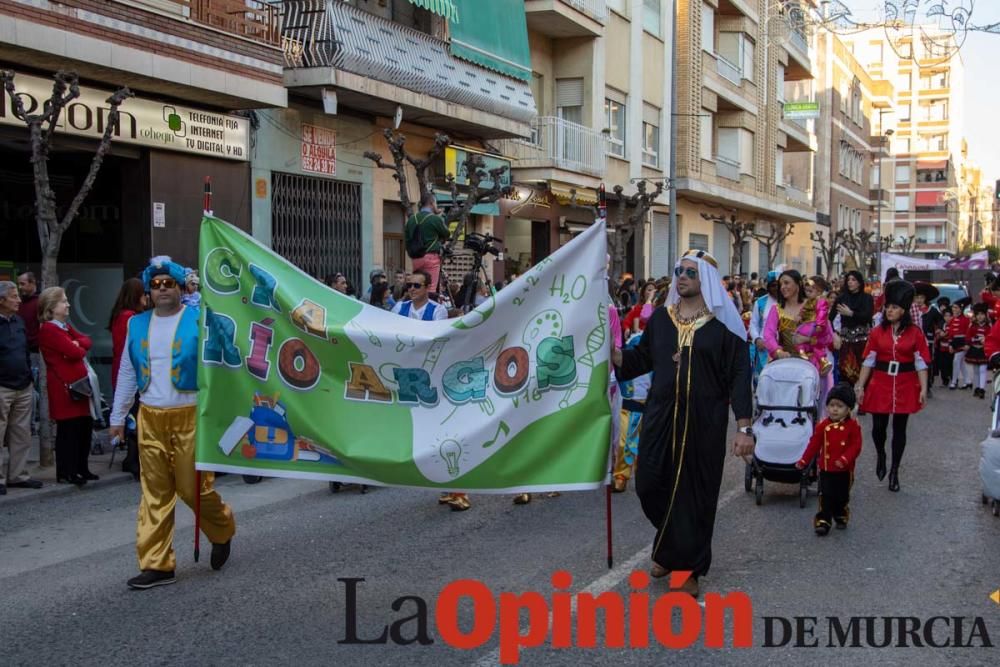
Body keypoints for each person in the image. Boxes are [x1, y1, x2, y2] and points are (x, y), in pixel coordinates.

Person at [613, 249, 754, 598]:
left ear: (704, 279)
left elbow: (739, 376)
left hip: (704, 420)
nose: (683, 276)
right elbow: (637, 361)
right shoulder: (661, 320)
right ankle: (670, 542)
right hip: (660, 415)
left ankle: (687, 566)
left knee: (696, 494)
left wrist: (744, 427)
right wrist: (611, 351)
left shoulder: (723, 327)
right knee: (648, 485)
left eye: (690, 272)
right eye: (679, 270)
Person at [109, 256, 236, 590]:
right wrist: (118, 416)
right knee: (155, 493)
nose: (162, 289)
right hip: (150, 416)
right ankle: (157, 564)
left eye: (169, 284)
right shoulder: (136, 324)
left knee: (193, 489)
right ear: (148, 290)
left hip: (191, 415)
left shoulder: (200, 319)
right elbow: (126, 370)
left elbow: (222, 365)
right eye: (156, 284)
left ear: (181, 287)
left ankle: (221, 528)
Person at [855, 280, 930, 493]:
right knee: (878, 428)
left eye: (894, 307)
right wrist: (860, 386)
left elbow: (920, 362)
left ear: (903, 310)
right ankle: (881, 455)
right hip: (880, 381)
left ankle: (895, 470)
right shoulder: (878, 332)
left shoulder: (915, 332)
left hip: (906, 383)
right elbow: (868, 360)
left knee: (899, 429)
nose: (889, 310)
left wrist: (923, 388)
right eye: (888, 307)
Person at [38, 286, 101, 486]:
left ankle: (81, 468)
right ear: (52, 306)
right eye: (63, 301)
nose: (68, 304)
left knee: (83, 427)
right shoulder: (49, 329)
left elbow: (86, 341)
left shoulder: (63, 327)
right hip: (64, 387)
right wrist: (76, 346)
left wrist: (77, 344)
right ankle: (66, 471)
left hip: (79, 385)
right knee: (69, 431)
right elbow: (75, 352)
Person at [796, 383, 862, 535]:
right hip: (826, 468)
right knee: (825, 495)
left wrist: (845, 459)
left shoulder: (853, 426)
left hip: (844, 470)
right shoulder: (823, 426)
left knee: (841, 496)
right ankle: (823, 520)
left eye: (840, 406)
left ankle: (840, 514)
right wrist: (804, 460)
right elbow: (814, 444)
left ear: (848, 409)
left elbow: (856, 446)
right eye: (831, 405)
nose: (835, 409)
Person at [0, 281, 43, 495]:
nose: (18, 300)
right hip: (2, 386)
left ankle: (17, 475)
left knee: (21, 432)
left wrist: (28, 376)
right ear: (1, 301)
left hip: (23, 384)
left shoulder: (18, 321)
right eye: (13, 296)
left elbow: (25, 349)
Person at [833, 270, 874, 387]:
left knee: (865, 373)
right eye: (848, 280)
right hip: (845, 343)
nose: (850, 282)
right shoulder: (841, 298)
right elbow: (830, 319)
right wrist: (835, 334)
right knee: (845, 373)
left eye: (853, 280)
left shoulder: (867, 298)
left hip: (862, 342)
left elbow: (867, 317)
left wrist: (851, 313)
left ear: (860, 283)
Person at [404, 192, 450, 294]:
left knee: (417, 287)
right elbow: (446, 233)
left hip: (416, 258)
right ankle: (428, 309)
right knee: (430, 289)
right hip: (431, 258)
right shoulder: (435, 219)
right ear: (432, 203)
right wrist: (440, 217)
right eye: (436, 203)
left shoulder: (411, 220)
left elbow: (407, 241)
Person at [748, 272, 779, 386]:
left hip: (783, 350)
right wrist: (757, 339)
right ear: (768, 286)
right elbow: (753, 324)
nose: (776, 288)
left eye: (778, 285)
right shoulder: (760, 302)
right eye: (773, 285)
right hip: (763, 350)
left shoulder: (788, 302)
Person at [964, 303, 990, 399]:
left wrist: (985, 339)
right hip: (974, 349)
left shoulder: (988, 326)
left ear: (985, 315)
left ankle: (982, 389)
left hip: (983, 350)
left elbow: (991, 338)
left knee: (983, 369)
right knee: (976, 370)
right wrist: (972, 340)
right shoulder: (972, 326)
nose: (980, 316)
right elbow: (968, 337)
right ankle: (977, 387)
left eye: (982, 314)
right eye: (978, 314)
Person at [946, 302, 970, 390]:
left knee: (956, 361)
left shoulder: (966, 319)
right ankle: (968, 381)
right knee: (961, 363)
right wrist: (950, 345)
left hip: (963, 343)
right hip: (955, 343)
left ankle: (954, 381)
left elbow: (968, 333)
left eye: (956, 307)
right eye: (953, 307)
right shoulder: (953, 319)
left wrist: (967, 344)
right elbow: (950, 333)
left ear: (961, 309)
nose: (954, 309)